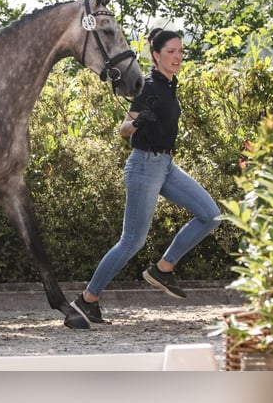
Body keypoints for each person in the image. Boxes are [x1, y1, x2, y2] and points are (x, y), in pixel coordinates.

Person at [70, 28, 221, 325]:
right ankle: (86, 300)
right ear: (155, 55)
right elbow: (124, 130)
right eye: (170, 52)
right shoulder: (149, 86)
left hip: (165, 165)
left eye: (180, 51)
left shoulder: (169, 84)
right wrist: (139, 121)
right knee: (131, 241)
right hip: (143, 166)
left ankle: (163, 269)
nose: (177, 56)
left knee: (210, 215)